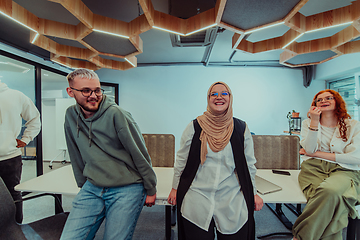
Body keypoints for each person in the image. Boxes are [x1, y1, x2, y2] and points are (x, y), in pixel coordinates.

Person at [60, 68, 157, 240]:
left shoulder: (117, 114)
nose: (93, 95)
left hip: (127, 186)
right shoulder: (70, 115)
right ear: (70, 92)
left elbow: (140, 153)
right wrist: (82, 183)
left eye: (97, 90)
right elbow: (75, 152)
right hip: (93, 186)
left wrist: (151, 188)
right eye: (85, 91)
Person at [167, 82, 263, 240]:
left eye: (224, 93)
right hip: (198, 194)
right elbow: (181, 160)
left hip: (231, 195)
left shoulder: (240, 128)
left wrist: (253, 193)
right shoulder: (195, 127)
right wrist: (175, 188)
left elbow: (249, 165)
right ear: (208, 98)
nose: (219, 97)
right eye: (214, 94)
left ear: (230, 98)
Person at [292, 89, 360, 240]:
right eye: (319, 99)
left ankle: (300, 237)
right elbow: (309, 148)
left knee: (329, 191)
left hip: (345, 169)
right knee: (333, 202)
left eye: (328, 98)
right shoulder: (307, 123)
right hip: (313, 168)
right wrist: (314, 121)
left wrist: (316, 153)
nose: (323, 101)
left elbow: (356, 158)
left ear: (337, 102)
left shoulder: (354, 125)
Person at [0, 80, 41, 223]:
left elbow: (34, 118)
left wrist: (26, 138)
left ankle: (16, 228)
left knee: (13, 195)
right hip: (11, 157)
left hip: (10, 157)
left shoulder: (16, 96)